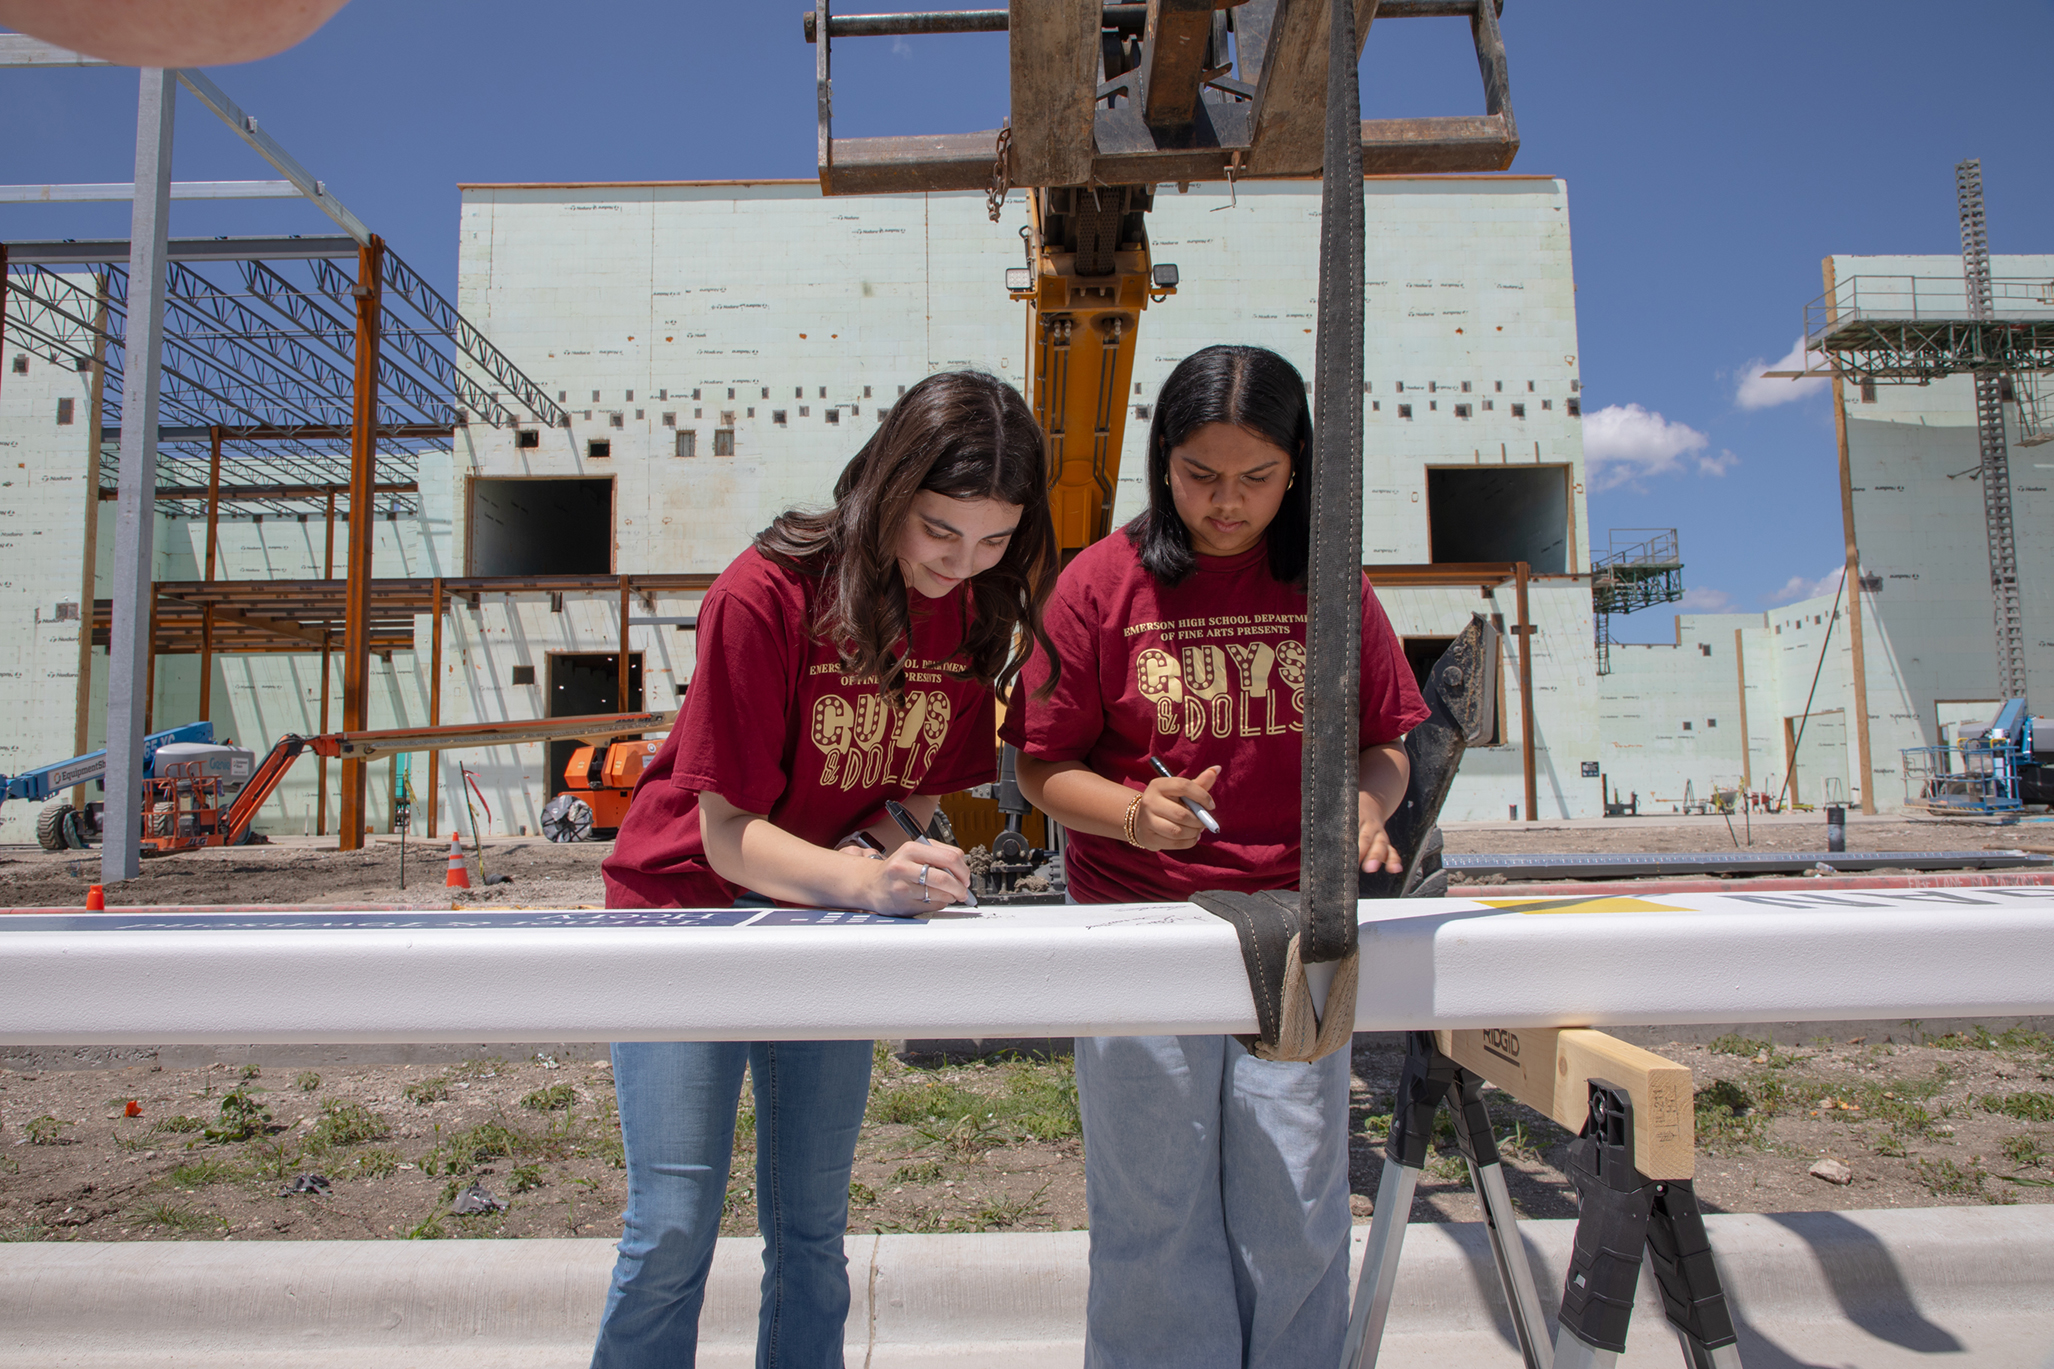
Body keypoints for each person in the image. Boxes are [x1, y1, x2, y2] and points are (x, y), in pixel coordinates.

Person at [592, 370, 1060, 1368]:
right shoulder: (765, 593)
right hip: (686, 908)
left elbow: (920, 789)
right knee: (671, 1226)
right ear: (888, 485)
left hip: (825, 914)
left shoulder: (974, 609)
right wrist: (866, 881)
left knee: (811, 1228)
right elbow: (726, 833)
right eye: (939, 530)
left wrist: (888, 849)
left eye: (993, 542)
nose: (960, 564)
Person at [1001, 344, 1430, 1369]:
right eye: (1199, 475)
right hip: (1139, 927)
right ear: (1162, 460)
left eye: (1256, 478)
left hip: (1294, 930)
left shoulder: (1330, 584)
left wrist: (1360, 807)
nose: (1225, 502)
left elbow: (1385, 744)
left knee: (1296, 1199)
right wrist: (1129, 812)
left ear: (1296, 468)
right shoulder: (1097, 584)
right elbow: (1040, 766)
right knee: (1153, 1210)